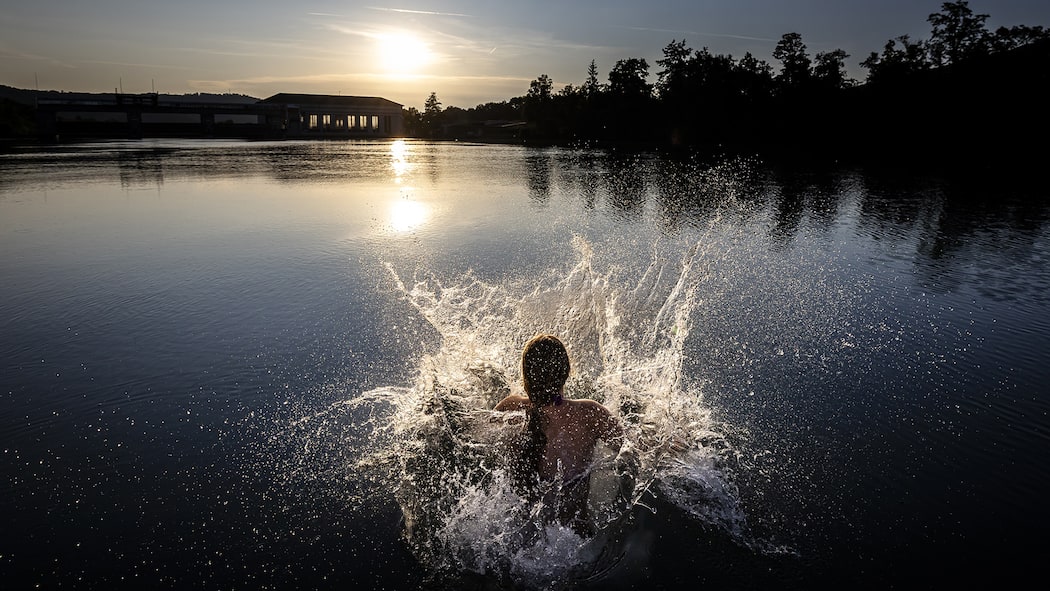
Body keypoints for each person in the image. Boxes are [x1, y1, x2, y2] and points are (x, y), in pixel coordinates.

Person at [494, 334, 623, 535]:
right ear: (566, 372)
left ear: (526, 375)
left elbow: (473, 438)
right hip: (573, 539)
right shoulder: (589, 413)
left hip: (520, 535)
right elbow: (633, 449)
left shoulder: (510, 408)